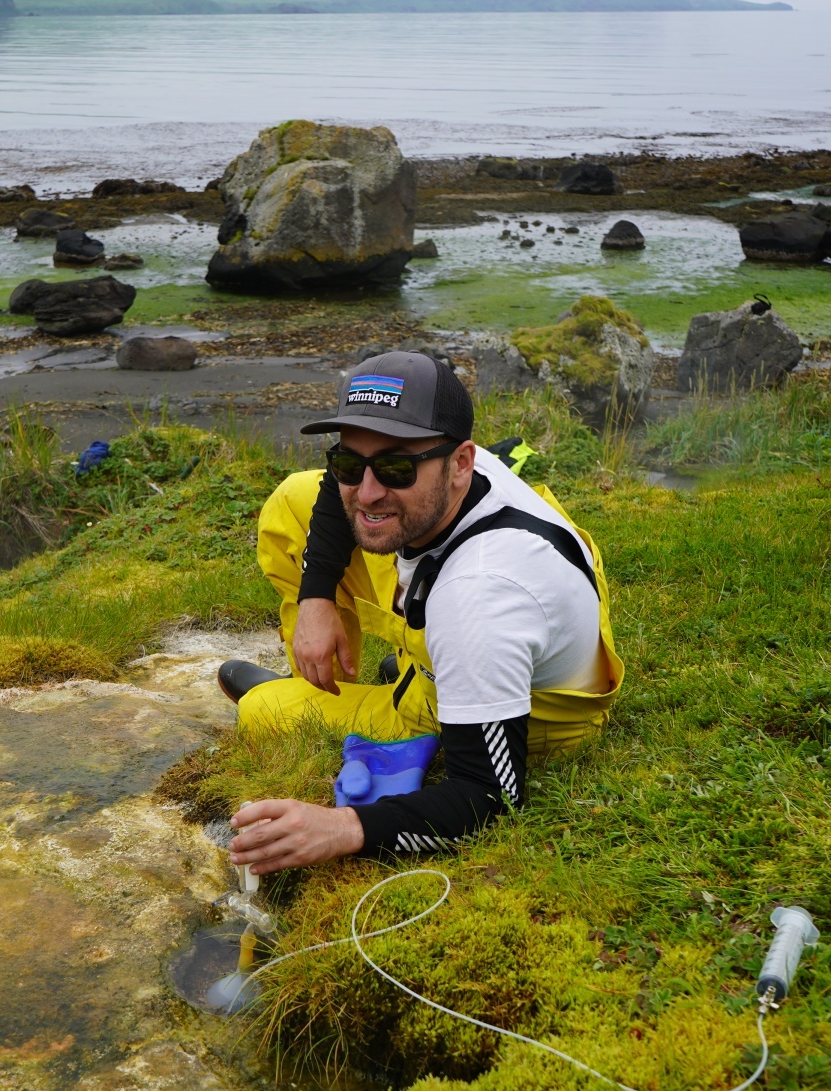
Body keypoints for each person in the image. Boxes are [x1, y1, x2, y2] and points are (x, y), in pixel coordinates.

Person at [217, 351, 624, 876]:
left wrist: (342, 828)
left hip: (539, 715)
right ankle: (331, 679)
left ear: (460, 463)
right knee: (294, 498)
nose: (368, 490)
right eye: (349, 463)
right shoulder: (453, 468)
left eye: (395, 468)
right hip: (508, 625)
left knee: (261, 710)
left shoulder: (477, 598)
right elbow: (334, 490)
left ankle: (361, 696)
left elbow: (490, 795)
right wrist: (316, 598)